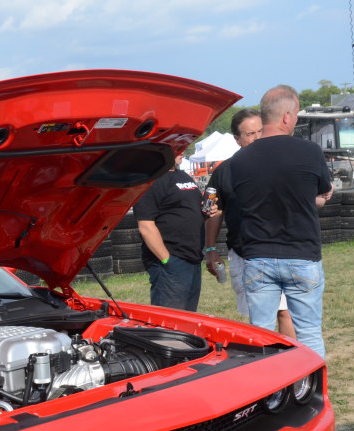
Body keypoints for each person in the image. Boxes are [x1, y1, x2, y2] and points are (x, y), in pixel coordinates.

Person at [230, 85, 333, 358]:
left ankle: (265, 384)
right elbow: (322, 192)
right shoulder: (310, 151)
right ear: (287, 116)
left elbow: (247, 199)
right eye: (296, 113)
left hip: (258, 256)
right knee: (309, 332)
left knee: (260, 334)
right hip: (301, 254)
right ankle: (311, 384)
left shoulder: (238, 160)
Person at [204, 109, 296, 338]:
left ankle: (292, 357)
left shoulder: (282, 164)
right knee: (258, 317)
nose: (257, 138)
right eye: (250, 134)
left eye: (260, 131)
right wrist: (211, 249)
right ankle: (267, 358)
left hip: (280, 250)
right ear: (237, 139)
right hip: (244, 253)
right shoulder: (224, 171)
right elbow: (212, 209)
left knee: (285, 312)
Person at [134, 151, 218, 311]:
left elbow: (187, 212)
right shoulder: (151, 180)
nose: (183, 150)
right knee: (170, 320)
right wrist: (167, 260)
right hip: (171, 260)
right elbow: (145, 226)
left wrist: (206, 212)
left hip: (192, 259)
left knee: (187, 317)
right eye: (178, 147)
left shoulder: (183, 176)